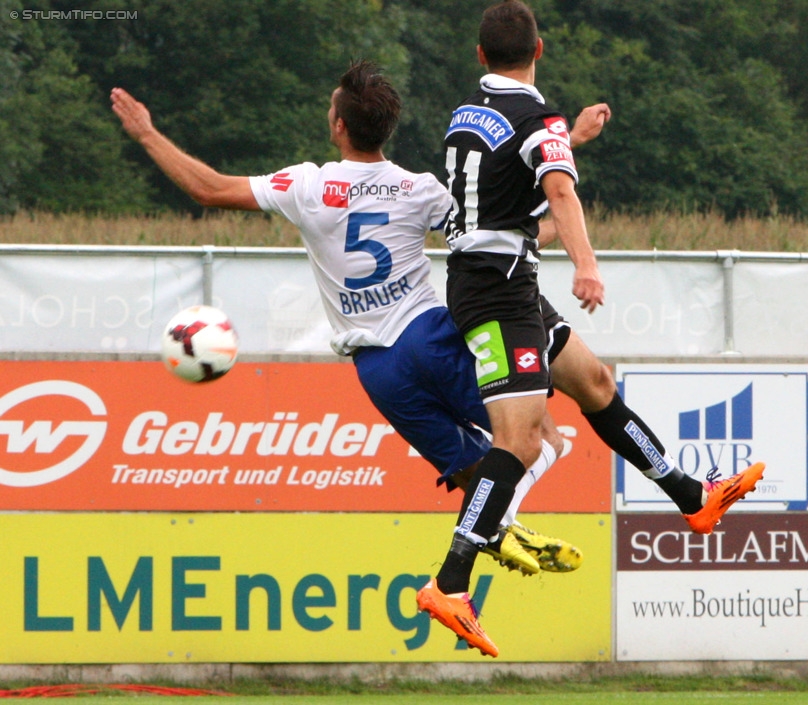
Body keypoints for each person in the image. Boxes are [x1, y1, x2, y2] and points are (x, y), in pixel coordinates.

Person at [110, 61, 587, 588]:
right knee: (539, 436)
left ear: (338, 125)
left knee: (477, 471)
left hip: (377, 370)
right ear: (388, 127)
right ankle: (493, 531)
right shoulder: (419, 188)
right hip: (428, 337)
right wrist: (564, 162)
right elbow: (490, 221)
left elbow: (209, 189)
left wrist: (147, 134)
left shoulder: (308, 185)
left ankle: (496, 529)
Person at [417, 0, 765, 658]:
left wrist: (569, 137)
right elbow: (560, 191)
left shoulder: (469, 111)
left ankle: (692, 496)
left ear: (479, 56)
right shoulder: (536, 117)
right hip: (497, 293)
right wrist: (588, 265)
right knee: (517, 443)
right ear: (540, 49)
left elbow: (506, 175)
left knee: (595, 381)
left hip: (497, 283)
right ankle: (448, 581)